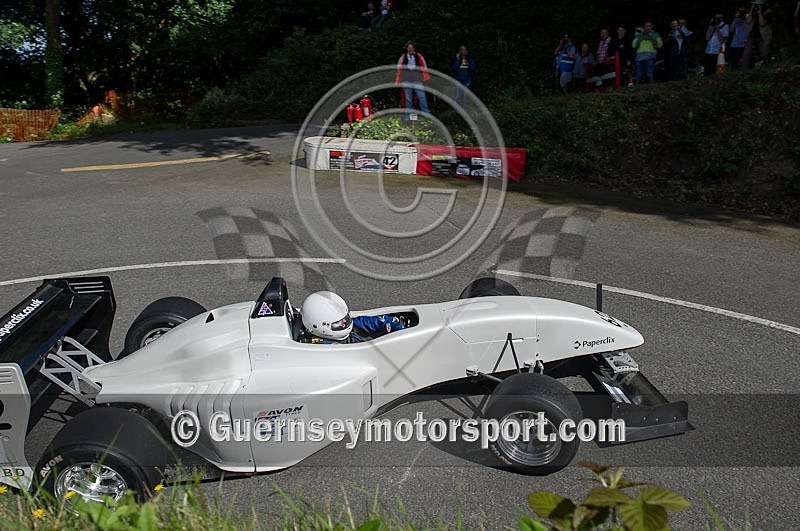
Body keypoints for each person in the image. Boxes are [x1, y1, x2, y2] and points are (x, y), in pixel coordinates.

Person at [299, 291, 404, 344]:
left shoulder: (350, 326)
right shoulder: (321, 349)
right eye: (338, 322)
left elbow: (375, 322)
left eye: (345, 317)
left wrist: (398, 329)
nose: (345, 322)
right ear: (318, 326)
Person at [395, 41, 431, 116]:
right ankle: (408, 116)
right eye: (409, 48)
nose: (410, 49)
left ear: (414, 48)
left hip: (417, 80)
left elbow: (424, 66)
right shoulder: (403, 57)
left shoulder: (419, 56)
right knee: (408, 99)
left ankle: (426, 114)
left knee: (422, 97)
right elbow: (399, 68)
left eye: (412, 48)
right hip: (406, 80)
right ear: (407, 49)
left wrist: (423, 76)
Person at [743, 1, 773, 68]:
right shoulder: (752, 11)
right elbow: (748, 21)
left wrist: (760, 13)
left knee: (765, 54)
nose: (756, 6)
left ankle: (767, 69)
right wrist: (751, 10)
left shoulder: (768, 12)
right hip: (751, 35)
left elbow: (762, 23)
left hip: (763, 37)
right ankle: (745, 70)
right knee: (746, 54)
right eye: (754, 4)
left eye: (758, 5)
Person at [631, 20, 663, 84]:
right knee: (638, 75)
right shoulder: (639, 35)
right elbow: (633, 45)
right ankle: (637, 89)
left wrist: (650, 36)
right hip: (639, 57)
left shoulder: (655, 34)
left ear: (652, 27)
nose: (647, 28)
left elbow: (660, 45)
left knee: (649, 74)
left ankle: (652, 88)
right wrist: (641, 36)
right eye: (646, 26)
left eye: (649, 26)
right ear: (644, 27)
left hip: (650, 56)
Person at [704, 12, 729, 76]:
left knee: (715, 71)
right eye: (716, 18)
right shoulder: (712, 25)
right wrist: (710, 26)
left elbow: (722, 40)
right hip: (708, 51)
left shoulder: (725, 26)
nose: (717, 19)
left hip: (717, 52)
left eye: (719, 18)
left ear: (722, 18)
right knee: (707, 71)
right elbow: (707, 38)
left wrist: (717, 29)